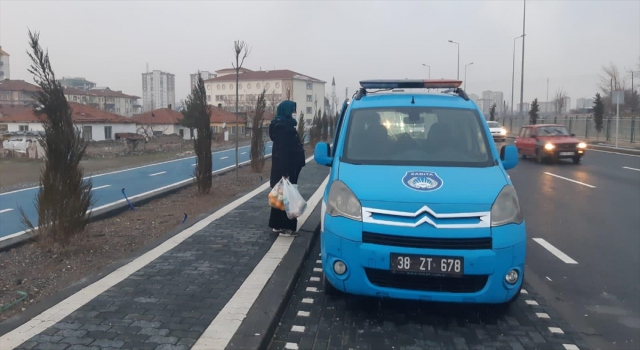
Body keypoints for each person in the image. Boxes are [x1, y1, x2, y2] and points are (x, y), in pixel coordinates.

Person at [268, 100, 306, 236]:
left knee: (281, 197)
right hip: (286, 169)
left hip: (286, 168)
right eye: (292, 110)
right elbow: (283, 151)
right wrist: (284, 172)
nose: (294, 113)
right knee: (287, 198)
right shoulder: (283, 127)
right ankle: (286, 227)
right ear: (286, 111)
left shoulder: (283, 125)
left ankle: (276, 225)